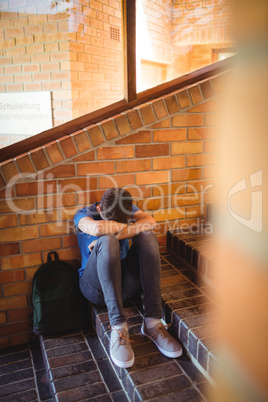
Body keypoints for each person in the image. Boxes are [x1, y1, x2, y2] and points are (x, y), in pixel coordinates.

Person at [74, 187, 182, 368]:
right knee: (106, 239)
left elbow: (150, 222)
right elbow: (98, 227)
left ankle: (153, 322)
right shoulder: (84, 214)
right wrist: (129, 228)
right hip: (95, 288)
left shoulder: (126, 207)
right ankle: (118, 327)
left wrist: (126, 229)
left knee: (147, 235)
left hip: (123, 285)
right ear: (99, 209)